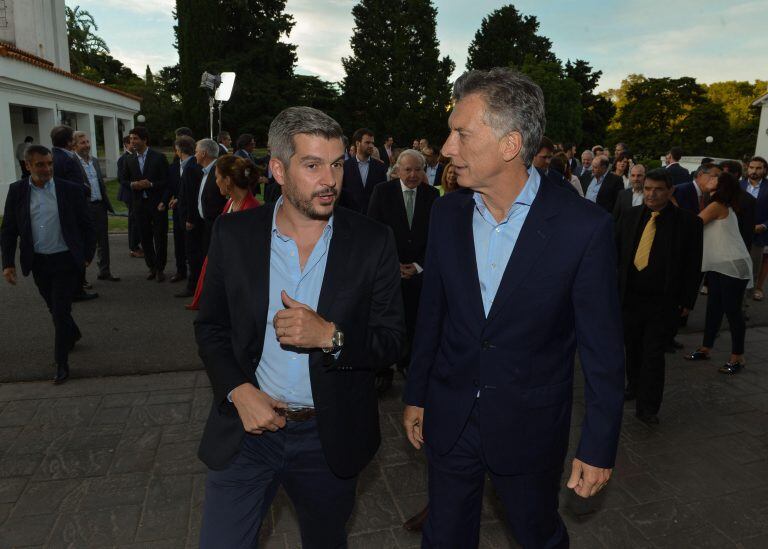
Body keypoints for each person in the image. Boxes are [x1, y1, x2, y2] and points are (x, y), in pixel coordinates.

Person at [402, 68, 624, 548]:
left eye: (461, 133)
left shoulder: (582, 228)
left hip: (529, 424)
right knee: (443, 535)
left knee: (537, 534)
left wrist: (598, 444)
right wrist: (417, 393)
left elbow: (603, 352)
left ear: (509, 144)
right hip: (450, 413)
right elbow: (433, 316)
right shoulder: (447, 213)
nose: (447, 148)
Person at [195, 106, 404, 548]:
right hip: (248, 431)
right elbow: (211, 327)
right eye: (312, 165)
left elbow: (391, 340)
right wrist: (238, 390)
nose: (329, 180)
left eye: (336, 164)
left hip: (327, 440)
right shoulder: (234, 234)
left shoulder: (372, 241)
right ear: (277, 169)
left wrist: (331, 337)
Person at [1, 145, 95, 384]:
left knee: (61, 310)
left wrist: (87, 254)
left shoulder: (70, 190)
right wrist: (8, 264)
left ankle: (61, 363)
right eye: (40, 164)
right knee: (54, 308)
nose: (47, 169)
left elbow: (87, 224)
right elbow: (9, 230)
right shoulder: (17, 191)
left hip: (65, 260)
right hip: (39, 262)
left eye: (49, 164)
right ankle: (72, 333)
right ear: (27, 165)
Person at [616, 169, 702, 424]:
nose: (651, 194)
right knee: (631, 348)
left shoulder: (688, 223)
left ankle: (648, 407)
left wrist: (687, 302)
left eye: (658, 190)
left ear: (670, 191)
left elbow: (693, 265)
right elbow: (616, 253)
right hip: (630, 298)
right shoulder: (631, 216)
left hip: (662, 302)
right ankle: (633, 386)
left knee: (653, 354)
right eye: (648, 188)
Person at [368, 149, 440, 394]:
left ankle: (407, 363)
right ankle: (383, 370)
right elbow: (374, 232)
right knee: (384, 320)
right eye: (407, 169)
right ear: (397, 170)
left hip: (419, 273)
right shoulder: (382, 192)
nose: (412, 175)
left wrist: (419, 265)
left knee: (414, 320)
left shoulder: (433, 196)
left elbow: (437, 238)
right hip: (389, 272)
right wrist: (392, 265)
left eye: (418, 169)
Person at [685, 172, 752, 374]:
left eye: (714, 178)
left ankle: (738, 357)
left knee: (732, 311)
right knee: (714, 307)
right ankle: (706, 348)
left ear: (720, 185)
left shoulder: (716, 206)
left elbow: (693, 225)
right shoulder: (718, 204)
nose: (709, 179)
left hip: (731, 264)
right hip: (718, 264)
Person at [186, 155, 261, 310]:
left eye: (217, 177)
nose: (215, 181)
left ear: (227, 181)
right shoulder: (231, 202)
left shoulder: (251, 210)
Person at [121, 126, 170, 281]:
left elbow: (167, 181)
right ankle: (152, 267)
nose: (132, 141)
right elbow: (123, 180)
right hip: (139, 204)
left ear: (144, 140)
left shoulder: (158, 157)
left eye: (135, 138)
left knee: (160, 237)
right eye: (130, 139)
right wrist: (132, 185)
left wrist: (151, 185)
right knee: (145, 236)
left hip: (156, 204)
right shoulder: (129, 159)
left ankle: (161, 268)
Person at [73, 131, 119, 282]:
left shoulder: (94, 160)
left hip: (99, 206)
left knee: (103, 241)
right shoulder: (72, 162)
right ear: (74, 146)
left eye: (87, 142)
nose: (87, 145)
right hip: (83, 209)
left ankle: (104, 271)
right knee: (83, 242)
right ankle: (81, 279)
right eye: (82, 143)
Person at [166, 132, 198, 284]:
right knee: (179, 242)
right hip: (178, 210)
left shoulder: (194, 166)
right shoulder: (175, 166)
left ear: (179, 150)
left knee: (191, 246)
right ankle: (181, 271)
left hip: (189, 213)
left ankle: (194, 278)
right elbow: (174, 186)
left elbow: (192, 192)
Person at [339, 128, 388, 214]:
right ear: (358, 143)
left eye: (372, 143)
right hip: (350, 218)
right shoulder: (345, 166)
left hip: (373, 218)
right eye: (367, 142)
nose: (371, 146)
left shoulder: (380, 167)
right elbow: (341, 194)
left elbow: (384, 195)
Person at [739, 156, 768, 300]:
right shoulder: (738, 185)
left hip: (758, 237)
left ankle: (744, 306)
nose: (754, 171)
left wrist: (764, 225)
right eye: (751, 167)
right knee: (736, 270)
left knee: (752, 272)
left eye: (758, 168)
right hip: (736, 236)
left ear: (764, 170)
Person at [117, 135, 143, 258]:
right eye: (131, 142)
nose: (133, 144)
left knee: (136, 221)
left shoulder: (134, 156)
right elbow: (121, 179)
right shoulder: (124, 159)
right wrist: (135, 185)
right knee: (133, 222)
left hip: (136, 193)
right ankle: (134, 247)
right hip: (130, 194)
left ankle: (136, 245)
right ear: (126, 145)